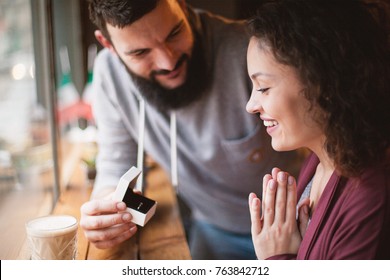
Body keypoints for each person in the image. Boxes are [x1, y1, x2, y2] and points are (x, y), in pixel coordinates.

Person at [80, 0, 301, 260]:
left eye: (174, 34)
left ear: (183, 7)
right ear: (109, 45)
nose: (168, 61)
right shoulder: (109, 75)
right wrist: (107, 210)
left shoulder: (249, 49)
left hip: (294, 228)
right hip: (211, 227)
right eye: (140, 53)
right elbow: (115, 167)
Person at [246, 0, 390, 260]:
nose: (251, 105)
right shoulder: (322, 156)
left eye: (264, 88)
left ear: (323, 83)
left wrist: (277, 260)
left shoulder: (371, 201)